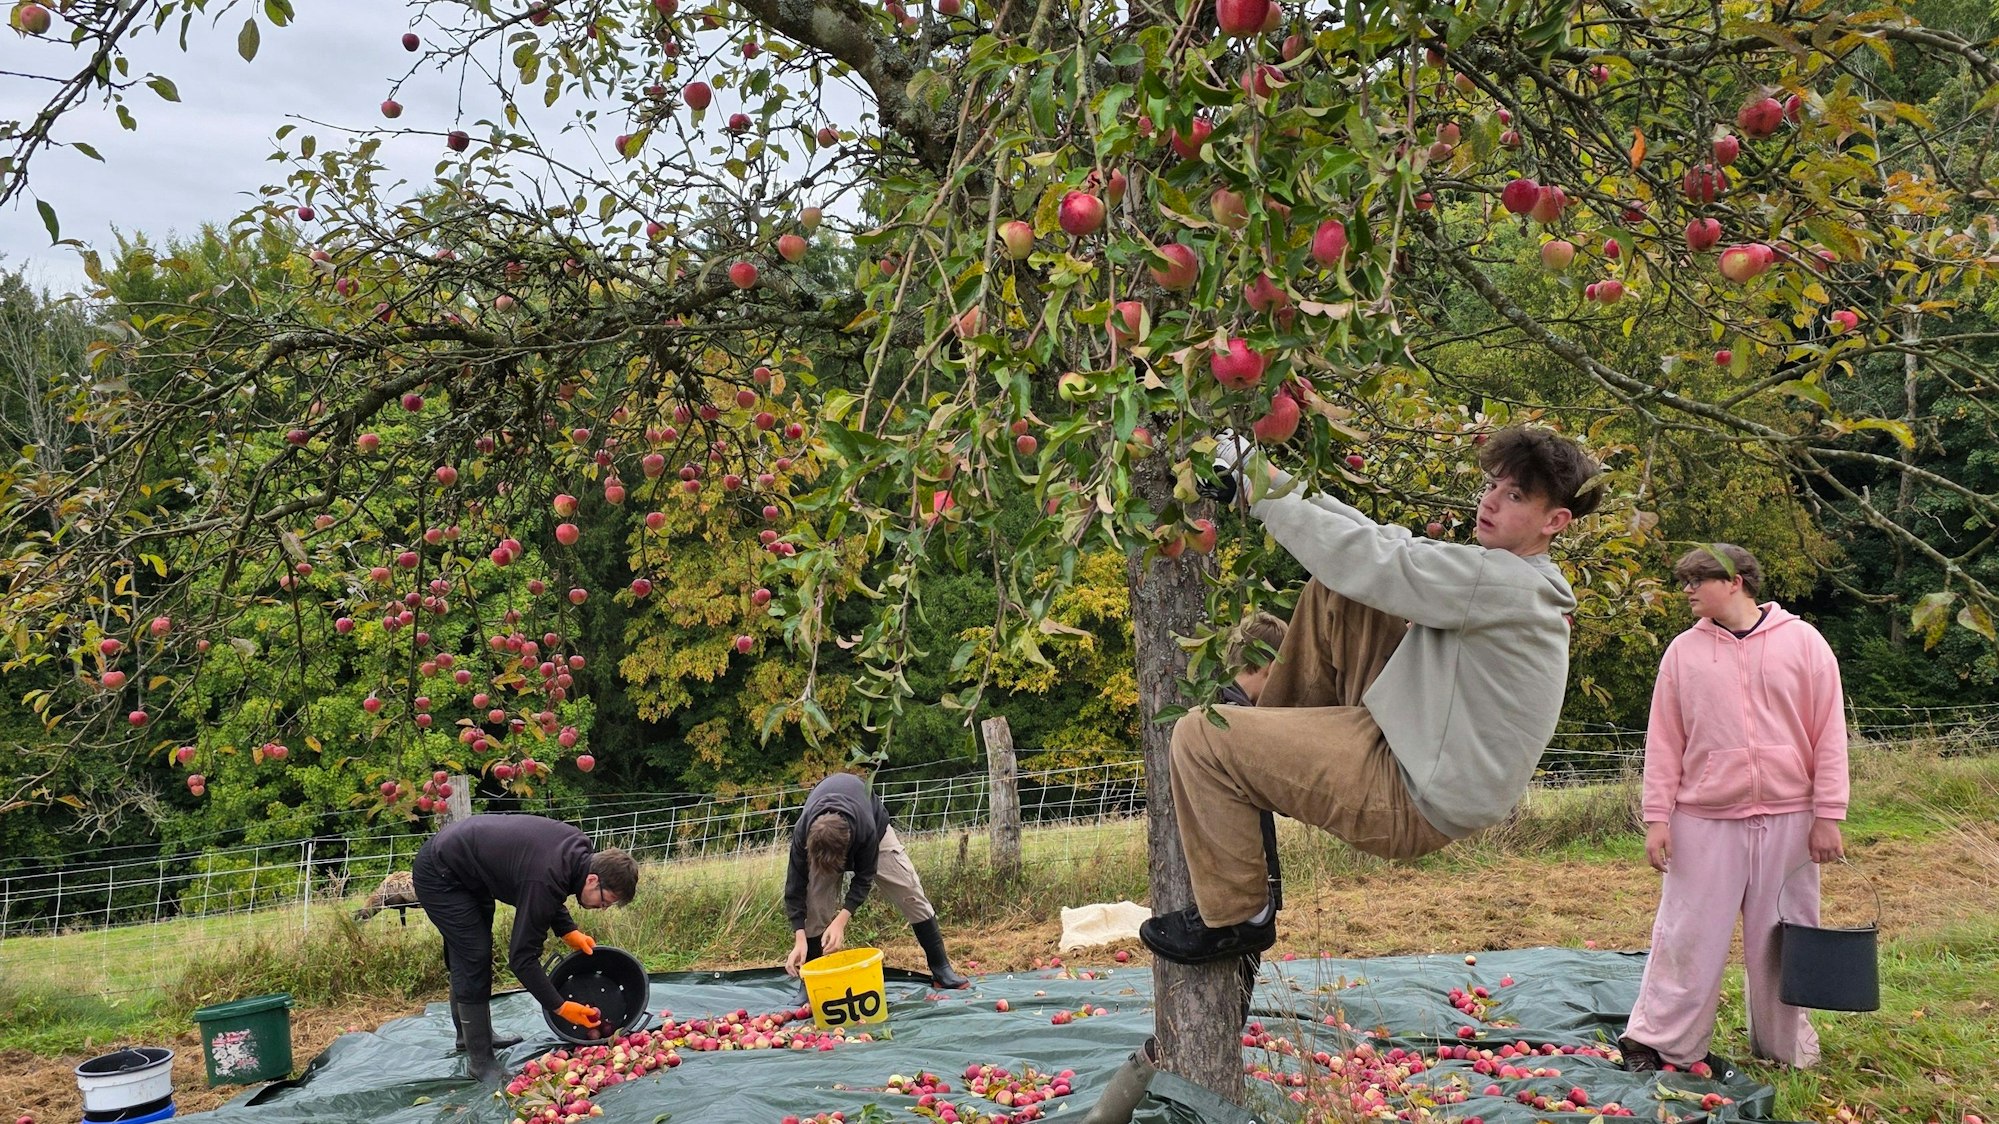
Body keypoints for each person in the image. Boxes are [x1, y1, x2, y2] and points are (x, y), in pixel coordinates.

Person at [1140, 425, 1603, 966]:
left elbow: (1377, 559)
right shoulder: (1505, 574)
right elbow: (1386, 543)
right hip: (1408, 744)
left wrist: (1258, 485)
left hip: (1411, 794)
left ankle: (1237, 917)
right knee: (1340, 586)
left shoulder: (1505, 582)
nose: (1492, 501)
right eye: (1494, 485)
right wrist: (1257, 477)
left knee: (1202, 735)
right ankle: (1265, 742)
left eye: (1516, 496)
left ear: (1555, 522)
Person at [1619, 544, 1848, 1074]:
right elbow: (1664, 742)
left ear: (1736, 582)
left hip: (1792, 819)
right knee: (1687, 933)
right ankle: (1660, 1044)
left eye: (1698, 580)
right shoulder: (1682, 652)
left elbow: (1829, 735)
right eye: (1686, 581)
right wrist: (1657, 818)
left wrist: (1828, 814)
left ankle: (1785, 1046)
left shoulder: (1805, 643)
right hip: (1703, 819)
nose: (1688, 591)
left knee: (1783, 938)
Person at [412, 813, 640, 1082]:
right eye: (605, 901)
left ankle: (470, 1036)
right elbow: (521, 958)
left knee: (471, 951)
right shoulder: (546, 876)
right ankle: (481, 1062)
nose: (602, 908)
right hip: (441, 874)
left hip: (470, 871)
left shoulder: (578, 852)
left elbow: (554, 888)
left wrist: (568, 930)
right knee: (473, 954)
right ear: (592, 880)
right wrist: (559, 1006)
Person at [782, 772, 969, 989]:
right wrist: (799, 937)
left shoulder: (865, 828)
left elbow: (864, 877)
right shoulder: (802, 834)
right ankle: (812, 985)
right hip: (827, 842)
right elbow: (794, 887)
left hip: (874, 830)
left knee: (910, 892)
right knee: (813, 904)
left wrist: (841, 921)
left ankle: (941, 968)